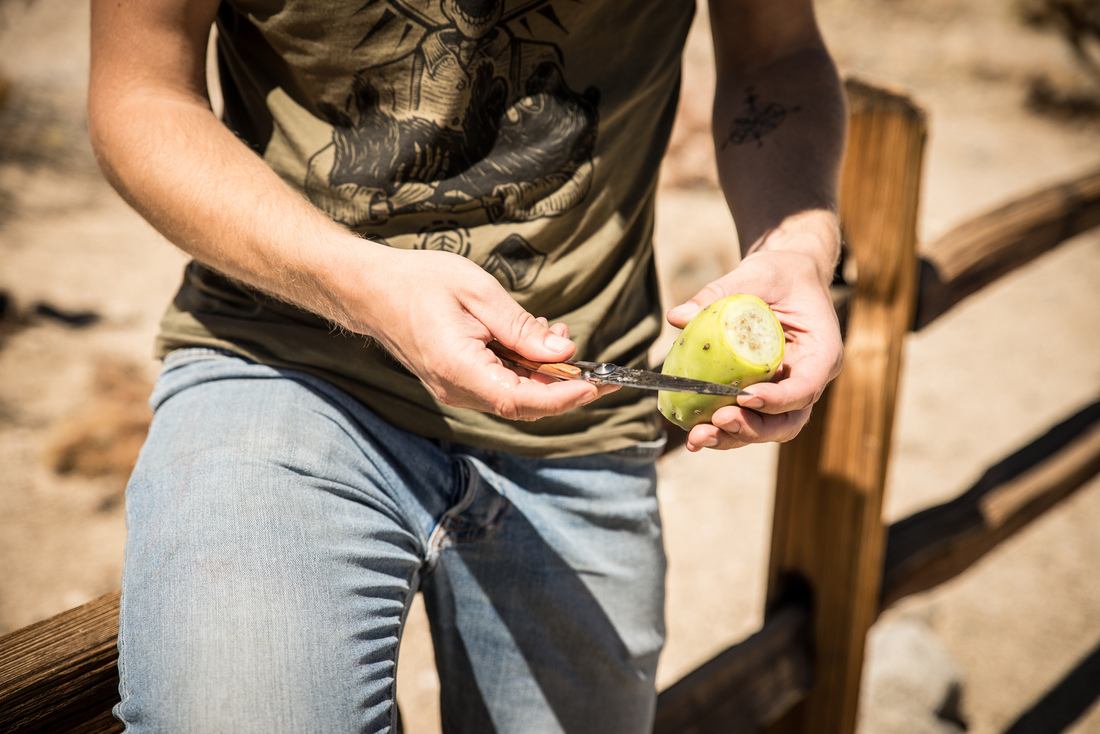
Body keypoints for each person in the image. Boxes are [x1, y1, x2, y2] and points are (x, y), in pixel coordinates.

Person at [88, 0, 845, 731]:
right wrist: (359, 286)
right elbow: (139, 94)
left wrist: (798, 248)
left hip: (580, 423)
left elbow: (774, 52)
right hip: (283, 361)